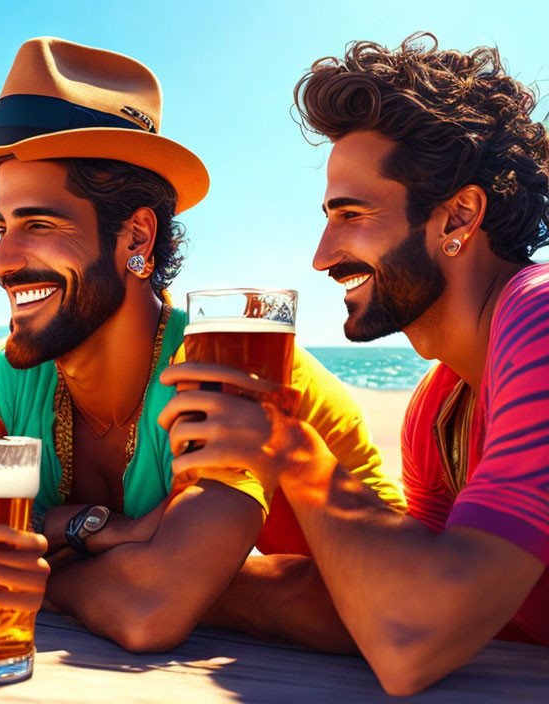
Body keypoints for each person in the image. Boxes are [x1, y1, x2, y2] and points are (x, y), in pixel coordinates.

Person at [0, 37, 403, 651]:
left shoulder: (227, 365)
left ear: (136, 236)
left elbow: (149, 607)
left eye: (39, 224)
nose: (3, 261)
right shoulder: (3, 384)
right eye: (3, 226)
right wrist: (117, 538)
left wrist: (53, 566)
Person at [161, 33, 549, 694]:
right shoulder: (438, 407)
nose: (320, 255)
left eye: (351, 214)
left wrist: (288, 445)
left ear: (458, 216)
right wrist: (176, 573)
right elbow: (392, 600)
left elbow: (412, 642)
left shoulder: (539, 320)